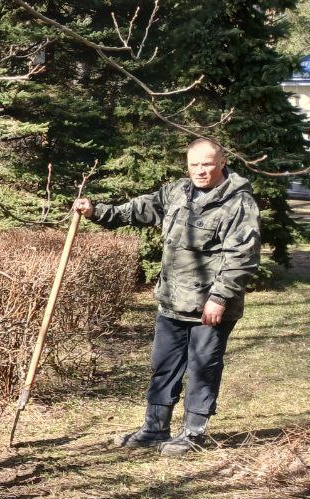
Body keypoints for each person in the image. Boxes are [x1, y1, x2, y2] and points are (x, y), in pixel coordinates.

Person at [72, 137, 261, 456]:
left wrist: (220, 297)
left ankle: (193, 433)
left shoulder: (238, 203)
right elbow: (136, 211)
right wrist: (95, 211)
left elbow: (242, 255)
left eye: (207, 164)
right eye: (195, 164)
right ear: (187, 165)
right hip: (173, 300)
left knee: (203, 367)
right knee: (164, 365)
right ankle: (155, 427)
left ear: (222, 162)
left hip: (210, 306)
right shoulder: (176, 192)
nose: (201, 170)